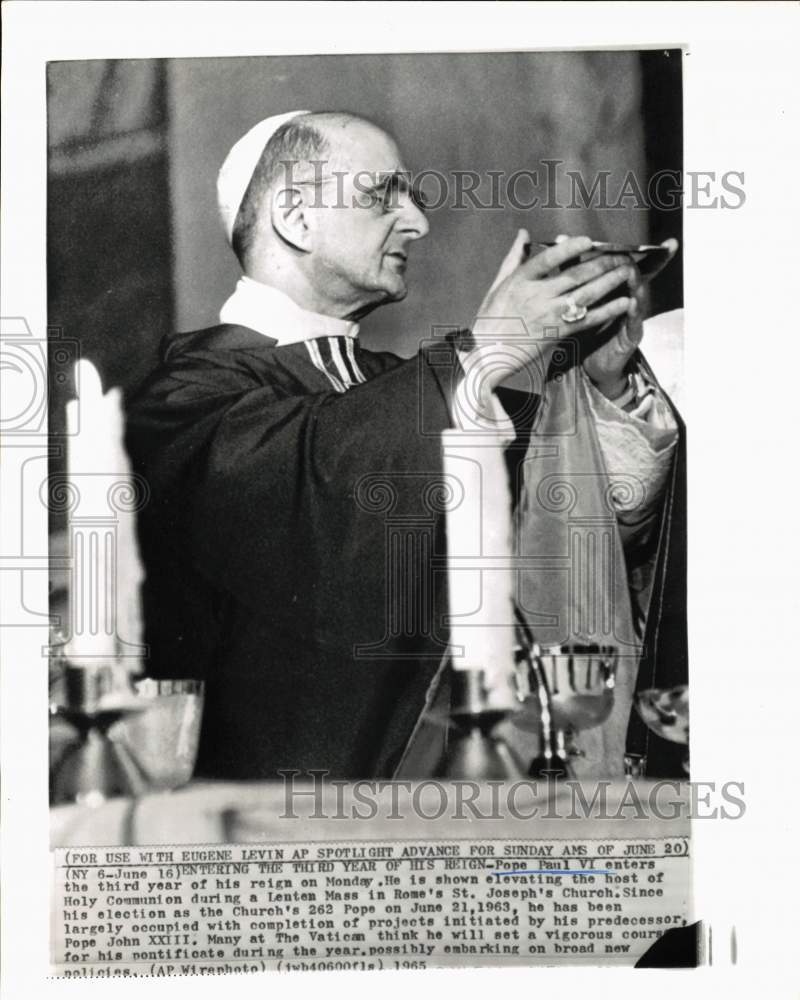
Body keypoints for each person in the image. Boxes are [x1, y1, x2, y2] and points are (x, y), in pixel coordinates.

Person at [126, 110, 685, 782]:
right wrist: (489, 353)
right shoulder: (181, 399)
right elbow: (321, 500)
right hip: (296, 824)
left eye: (413, 198)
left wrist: (597, 375)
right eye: (381, 195)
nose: (417, 223)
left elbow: (556, 538)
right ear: (295, 217)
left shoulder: (399, 387)